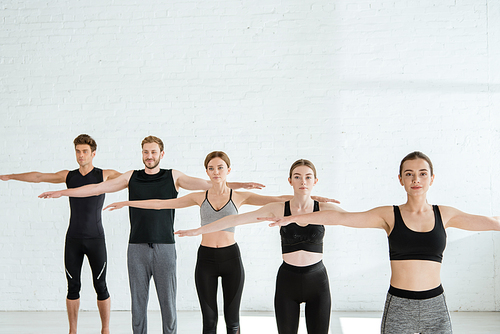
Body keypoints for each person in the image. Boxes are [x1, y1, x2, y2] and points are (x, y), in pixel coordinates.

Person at [38, 137, 265, 334]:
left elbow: (210, 183)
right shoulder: (131, 177)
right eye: (145, 152)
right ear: (142, 154)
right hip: (136, 246)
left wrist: (239, 185)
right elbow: (96, 188)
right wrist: (63, 192)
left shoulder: (173, 176)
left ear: (161, 154)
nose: (149, 156)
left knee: (168, 303)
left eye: (153, 152)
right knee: (138, 304)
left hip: (165, 245)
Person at [263, 151, 500, 334]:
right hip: (399, 305)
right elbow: (341, 217)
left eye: (422, 173)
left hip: (435, 305)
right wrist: (294, 218)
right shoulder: (389, 215)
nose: (416, 179)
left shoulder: (445, 214)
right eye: (409, 174)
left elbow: (491, 221)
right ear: (401, 179)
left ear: (431, 178)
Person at [103, 152, 339, 334]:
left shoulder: (239, 195)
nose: (216, 172)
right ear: (206, 171)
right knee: (209, 320)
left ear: (228, 170)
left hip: (231, 259)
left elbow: (279, 199)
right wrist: (129, 204)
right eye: (211, 168)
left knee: (232, 319)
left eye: (220, 167)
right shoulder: (199, 196)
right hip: (205, 259)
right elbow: (160, 204)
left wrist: (313, 197)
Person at [174, 159, 342, 334]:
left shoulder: (324, 209)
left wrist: (374, 220)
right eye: (297, 177)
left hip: (317, 282)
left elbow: (354, 219)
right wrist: (198, 230)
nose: (303, 181)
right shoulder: (278, 208)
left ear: (315, 181)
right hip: (288, 280)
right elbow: (235, 219)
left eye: (308, 177)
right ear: (290, 180)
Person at [0, 134, 121, 334]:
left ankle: (105, 330)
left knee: (101, 285)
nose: (81, 155)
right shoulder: (69, 176)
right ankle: (72, 331)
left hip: (96, 239)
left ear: (93, 153)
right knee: (73, 287)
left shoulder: (104, 174)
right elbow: (39, 177)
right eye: (78, 151)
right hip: (73, 239)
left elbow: (131, 179)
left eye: (84, 152)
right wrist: (11, 176)